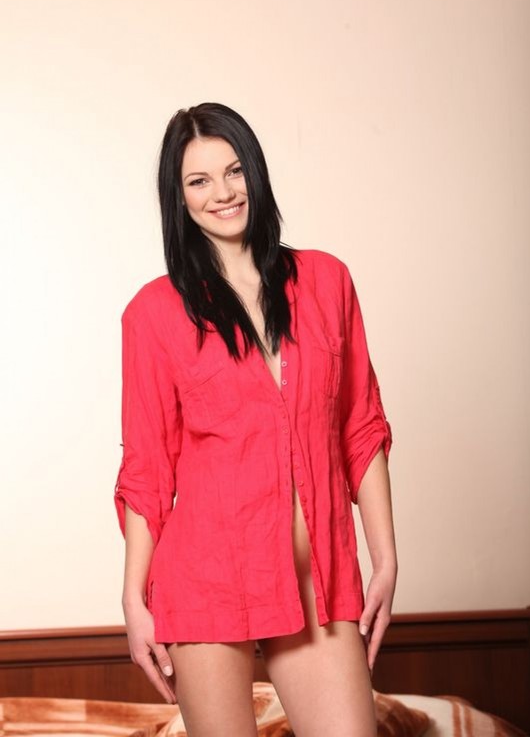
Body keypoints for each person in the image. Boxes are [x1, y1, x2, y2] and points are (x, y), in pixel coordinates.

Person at [114, 102, 398, 737]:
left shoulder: (327, 281)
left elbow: (360, 425)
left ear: (255, 171)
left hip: (319, 581)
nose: (222, 192)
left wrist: (384, 556)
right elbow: (147, 470)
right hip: (206, 583)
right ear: (178, 197)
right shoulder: (153, 314)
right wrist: (134, 597)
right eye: (199, 180)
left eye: (234, 170)